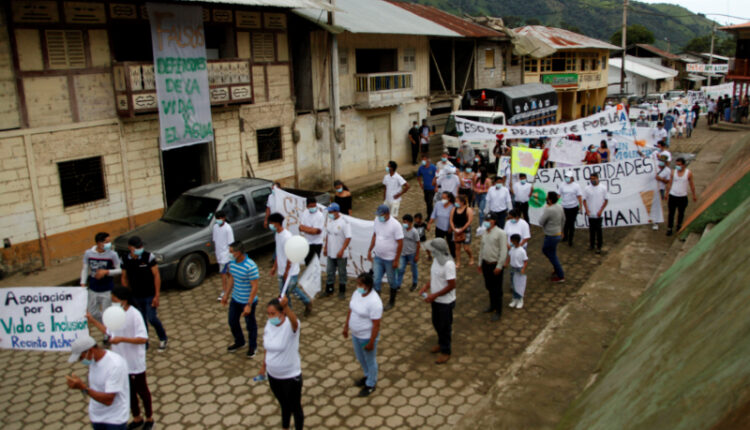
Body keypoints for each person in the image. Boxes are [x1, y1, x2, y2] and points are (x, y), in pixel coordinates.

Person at [87, 286, 153, 430]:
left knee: (142, 391)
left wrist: (122, 339)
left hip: (134, 362)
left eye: (115, 300)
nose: (113, 303)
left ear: (124, 300)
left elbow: (143, 338)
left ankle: (149, 418)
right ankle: (137, 417)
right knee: (129, 393)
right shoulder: (114, 314)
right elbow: (109, 332)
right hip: (120, 363)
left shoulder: (135, 314)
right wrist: (92, 320)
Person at [65, 334, 130, 430]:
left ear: (90, 350)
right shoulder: (93, 360)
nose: (80, 361)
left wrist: (83, 388)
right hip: (96, 416)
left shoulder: (115, 365)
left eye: (81, 357)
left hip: (115, 419)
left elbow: (108, 400)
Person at [259, 297, 304, 430]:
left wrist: (287, 307)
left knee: (295, 407)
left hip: (291, 377)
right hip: (273, 376)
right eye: (268, 314)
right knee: (284, 405)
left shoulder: (290, 326)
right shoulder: (269, 324)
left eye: (273, 314)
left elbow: (295, 322)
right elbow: (267, 347)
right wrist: (263, 366)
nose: (270, 316)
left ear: (282, 313)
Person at [120, 236, 168, 351]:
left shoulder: (148, 257)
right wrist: (126, 296)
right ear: (130, 248)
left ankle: (163, 338)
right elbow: (124, 277)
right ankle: (144, 342)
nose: (140, 248)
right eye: (137, 247)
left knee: (152, 318)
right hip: (135, 296)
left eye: (141, 246)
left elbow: (156, 275)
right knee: (141, 320)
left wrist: (157, 295)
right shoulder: (125, 259)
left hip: (150, 294)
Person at [343, 272, 382, 397]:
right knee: (360, 358)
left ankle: (371, 383)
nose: (357, 286)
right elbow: (350, 309)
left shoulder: (375, 302)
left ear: (367, 285)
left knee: (370, 360)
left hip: (366, 336)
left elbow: (376, 325)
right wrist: (346, 326)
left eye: (360, 284)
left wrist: (371, 342)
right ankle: (367, 375)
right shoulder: (357, 293)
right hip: (355, 334)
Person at [419, 238, 456, 364]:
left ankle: (446, 351)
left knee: (445, 326)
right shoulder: (436, 259)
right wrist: (426, 286)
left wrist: (435, 295)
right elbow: (434, 276)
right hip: (436, 300)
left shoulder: (448, 264)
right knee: (436, 322)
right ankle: (441, 343)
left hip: (445, 302)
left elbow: (452, 285)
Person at [269, 213, 313, 316]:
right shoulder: (277, 235)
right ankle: (288, 311)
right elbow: (278, 251)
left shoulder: (287, 236)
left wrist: (286, 272)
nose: (270, 225)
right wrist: (275, 266)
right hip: (281, 270)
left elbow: (290, 256)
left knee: (289, 290)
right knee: (284, 293)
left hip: (290, 271)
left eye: (271, 223)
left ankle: (306, 301)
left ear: (277, 223)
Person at [221, 241, 260, 356]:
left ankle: (253, 346)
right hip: (235, 298)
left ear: (238, 252)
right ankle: (240, 341)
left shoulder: (251, 266)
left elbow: (255, 286)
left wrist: (249, 304)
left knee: (250, 325)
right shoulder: (232, 263)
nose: (230, 254)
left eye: (231, 252)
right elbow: (231, 279)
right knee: (232, 321)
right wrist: (226, 295)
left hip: (247, 301)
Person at [81, 232, 121, 323]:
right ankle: (105, 324)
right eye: (106, 242)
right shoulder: (88, 253)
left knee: (106, 312)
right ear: (99, 243)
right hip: (93, 288)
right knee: (92, 312)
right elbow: (85, 268)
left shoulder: (113, 254)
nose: (109, 244)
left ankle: (107, 334)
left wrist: (106, 272)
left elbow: (119, 270)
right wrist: (83, 283)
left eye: (109, 242)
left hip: (107, 289)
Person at [367, 205, 404, 300]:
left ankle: (392, 300)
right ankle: (377, 300)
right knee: (376, 279)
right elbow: (375, 235)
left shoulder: (396, 225)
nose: (379, 217)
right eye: (378, 215)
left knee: (391, 281)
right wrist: (370, 250)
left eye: (381, 215)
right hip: (378, 257)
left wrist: (396, 260)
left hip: (390, 259)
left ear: (387, 214)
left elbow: (400, 243)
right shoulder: (377, 220)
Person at [477, 216, 507, 321]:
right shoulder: (485, 232)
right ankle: (492, 305)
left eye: (488, 220)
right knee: (489, 286)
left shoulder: (501, 233)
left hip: (495, 264)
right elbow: (482, 248)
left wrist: (499, 266)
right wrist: (479, 263)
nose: (486, 222)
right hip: (486, 264)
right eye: (485, 220)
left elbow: (503, 251)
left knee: (497, 289)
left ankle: (498, 310)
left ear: (494, 221)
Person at [323, 203, 351, 298]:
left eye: (331, 212)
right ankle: (329, 289)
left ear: (336, 212)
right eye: (329, 212)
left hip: (340, 253)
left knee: (342, 272)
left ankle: (342, 291)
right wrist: (325, 247)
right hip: (331, 251)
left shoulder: (344, 222)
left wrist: (342, 250)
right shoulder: (330, 221)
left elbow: (348, 238)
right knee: (330, 271)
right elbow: (328, 235)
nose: (329, 213)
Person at [665, 158, 697, 236]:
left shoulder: (688, 173)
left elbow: (691, 184)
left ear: (683, 165)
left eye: (679, 165)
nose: (677, 166)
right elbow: (669, 183)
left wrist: (693, 195)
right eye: (676, 164)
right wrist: (667, 193)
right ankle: (670, 228)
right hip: (673, 196)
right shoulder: (673, 172)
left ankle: (679, 225)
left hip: (682, 197)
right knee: (671, 213)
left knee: (681, 213)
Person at [539, 191, 565, 283]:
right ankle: (556, 267)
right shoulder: (560, 207)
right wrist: (562, 231)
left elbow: (541, 222)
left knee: (548, 252)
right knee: (552, 252)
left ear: (549, 200)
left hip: (551, 235)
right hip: (557, 233)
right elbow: (563, 220)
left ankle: (560, 274)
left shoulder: (549, 210)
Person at [395, 214, 420, 300]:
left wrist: (417, 255)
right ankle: (398, 285)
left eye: (405, 222)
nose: (404, 223)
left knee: (414, 268)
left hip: (412, 254)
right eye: (403, 221)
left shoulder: (414, 232)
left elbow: (418, 244)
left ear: (410, 223)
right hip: (403, 253)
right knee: (401, 269)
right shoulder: (401, 229)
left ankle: (415, 283)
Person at [583, 173, 609, 254]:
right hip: (591, 214)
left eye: (593, 178)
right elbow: (584, 200)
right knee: (591, 230)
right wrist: (586, 210)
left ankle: (599, 246)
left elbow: (606, 200)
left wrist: (601, 210)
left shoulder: (603, 188)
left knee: (599, 231)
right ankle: (591, 245)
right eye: (591, 178)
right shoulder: (587, 188)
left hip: (599, 214)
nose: (592, 180)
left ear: (597, 178)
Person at [212, 210, 235, 302]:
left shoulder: (228, 228)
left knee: (223, 274)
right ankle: (233, 285)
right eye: (217, 218)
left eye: (220, 218)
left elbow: (231, 244)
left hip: (226, 256)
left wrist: (230, 256)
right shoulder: (215, 227)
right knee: (229, 273)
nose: (218, 220)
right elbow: (215, 240)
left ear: (224, 218)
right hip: (219, 254)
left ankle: (224, 291)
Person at [557, 170, 583, 247]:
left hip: (573, 207)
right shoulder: (562, 185)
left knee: (571, 224)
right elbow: (558, 195)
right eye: (565, 177)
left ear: (572, 178)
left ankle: (570, 240)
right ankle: (565, 237)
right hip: (564, 207)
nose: (567, 178)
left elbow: (579, 196)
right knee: (565, 223)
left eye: (568, 177)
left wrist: (580, 206)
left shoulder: (576, 186)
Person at [427, 192, 456, 258]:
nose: (443, 199)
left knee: (451, 243)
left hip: (449, 228)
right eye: (442, 198)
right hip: (439, 227)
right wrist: (429, 223)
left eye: (444, 198)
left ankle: (453, 256)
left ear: (449, 198)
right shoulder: (438, 204)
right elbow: (434, 214)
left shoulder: (453, 207)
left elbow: (454, 219)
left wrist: (451, 228)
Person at [449, 195, 474, 269]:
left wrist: (462, 229)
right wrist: (454, 228)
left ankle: (471, 256)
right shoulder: (454, 209)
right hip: (456, 229)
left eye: (457, 201)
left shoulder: (468, 210)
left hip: (465, 229)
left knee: (466, 248)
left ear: (462, 202)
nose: (455, 203)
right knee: (457, 247)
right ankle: (458, 261)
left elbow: (469, 221)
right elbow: (451, 220)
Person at [299, 197, 325, 266]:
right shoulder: (305, 213)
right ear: (307, 206)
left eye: (314, 206)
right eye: (311, 206)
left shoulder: (320, 215)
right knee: (307, 261)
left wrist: (306, 229)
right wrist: (311, 229)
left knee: (315, 262)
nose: (313, 207)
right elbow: (300, 227)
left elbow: (317, 231)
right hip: (307, 242)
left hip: (317, 242)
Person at [505, 234, 528, 309]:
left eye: (511, 240)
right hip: (512, 268)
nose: (510, 242)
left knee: (519, 285)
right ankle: (514, 299)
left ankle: (520, 299)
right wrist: (506, 263)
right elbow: (509, 256)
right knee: (513, 284)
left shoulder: (522, 251)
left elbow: (525, 261)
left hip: (519, 268)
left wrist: (523, 269)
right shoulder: (512, 249)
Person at [653, 155, 672, 231]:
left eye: (662, 161)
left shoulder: (668, 171)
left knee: (657, 206)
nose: (660, 162)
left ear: (665, 162)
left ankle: (656, 222)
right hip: (651, 188)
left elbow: (667, 181)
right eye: (660, 160)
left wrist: (660, 179)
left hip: (660, 189)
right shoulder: (654, 166)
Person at [417, 154, 437, 219]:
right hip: (425, 188)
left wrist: (436, 186)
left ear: (428, 160)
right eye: (422, 160)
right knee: (427, 201)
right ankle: (431, 211)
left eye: (424, 159)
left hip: (432, 188)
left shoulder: (433, 167)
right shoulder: (421, 168)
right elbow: (418, 176)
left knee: (429, 202)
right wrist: (420, 184)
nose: (423, 161)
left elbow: (437, 177)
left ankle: (429, 216)